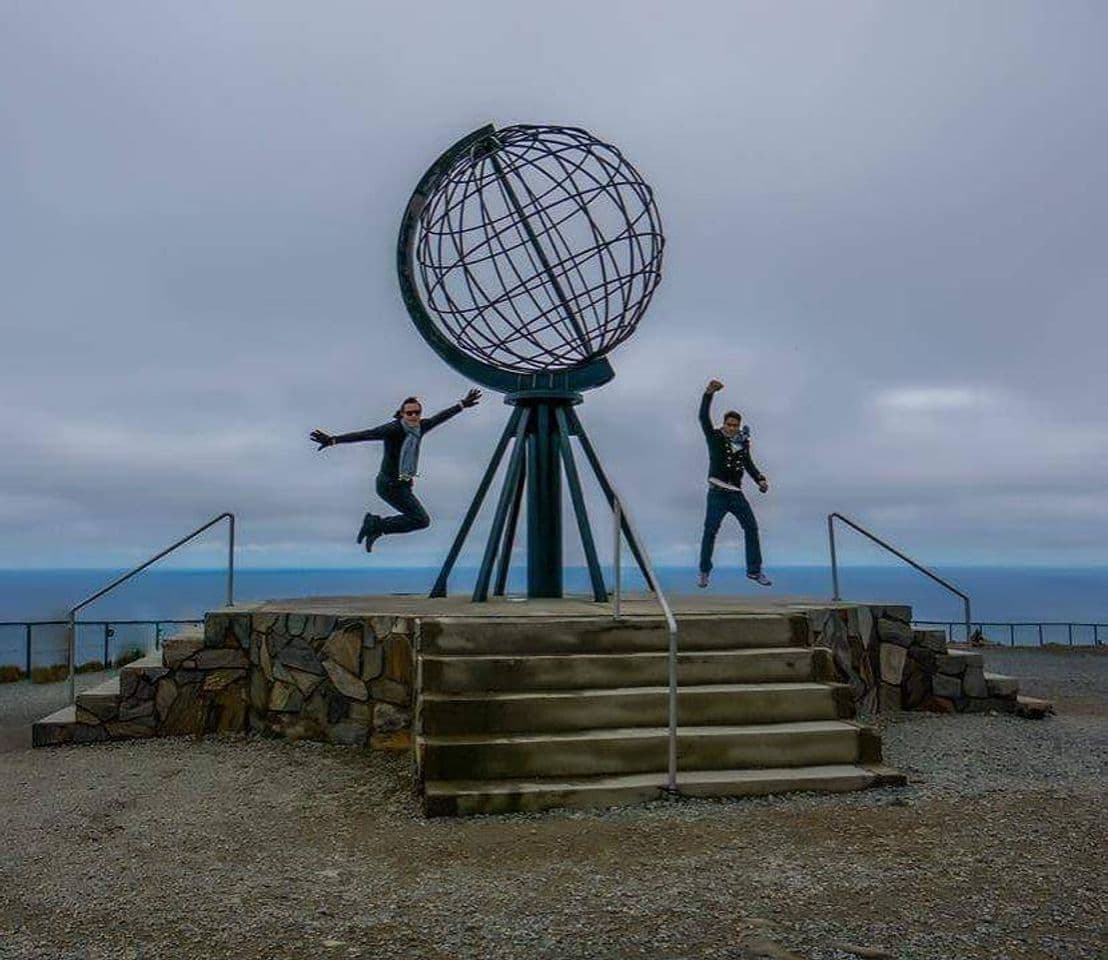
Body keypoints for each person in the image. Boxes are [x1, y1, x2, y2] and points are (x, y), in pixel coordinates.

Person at [309, 389, 481, 552]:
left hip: (404, 484)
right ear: (402, 414)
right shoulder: (393, 429)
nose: (413, 416)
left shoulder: (420, 427)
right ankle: (375, 525)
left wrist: (462, 405)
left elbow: (440, 417)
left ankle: (377, 528)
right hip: (389, 485)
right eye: (409, 413)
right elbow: (366, 434)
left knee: (417, 519)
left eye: (416, 413)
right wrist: (333, 440)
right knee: (421, 520)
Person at [697, 379, 771, 588]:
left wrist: (760, 479)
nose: (731, 428)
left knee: (751, 528)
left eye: (735, 425)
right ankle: (704, 571)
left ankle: (755, 571)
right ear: (724, 424)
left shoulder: (741, 441)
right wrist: (709, 393)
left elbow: (748, 463)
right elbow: (703, 418)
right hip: (717, 493)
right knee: (710, 531)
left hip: (736, 494)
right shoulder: (714, 437)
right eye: (729, 424)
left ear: (738, 426)